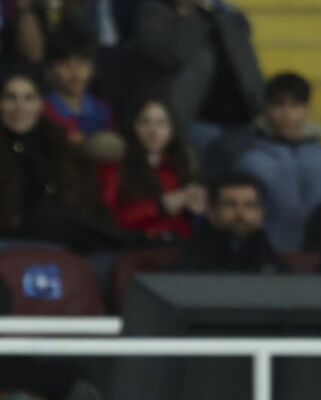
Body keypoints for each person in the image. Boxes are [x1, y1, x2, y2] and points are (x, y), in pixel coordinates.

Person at [233, 71, 321, 253]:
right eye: (279, 105)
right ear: (266, 109)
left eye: (295, 105)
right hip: (265, 255)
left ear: (307, 110)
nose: (287, 114)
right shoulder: (250, 161)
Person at [0, 67, 104, 241]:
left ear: (41, 103)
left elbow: (83, 204)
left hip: (60, 239)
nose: (20, 107)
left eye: (29, 98)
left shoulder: (60, 146)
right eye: (11, 98)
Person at [135, 0, 263, 134]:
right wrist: (187, 13)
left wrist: (261, 106)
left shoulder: (227, 14)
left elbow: (248, 66)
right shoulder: (154, 11)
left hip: (244, 120)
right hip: (194, 122)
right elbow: (171, 55)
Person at [97, 98, 204, 239]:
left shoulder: (180, 163)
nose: (154, 131)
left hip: (178, 243)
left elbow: (188, 224)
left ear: (172, 130)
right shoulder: (114, 166)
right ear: (133, 127)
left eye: (162, 123)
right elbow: (106, 221)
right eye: (145, 122)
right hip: (134, 243)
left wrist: (196, 213)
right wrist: (159, 206)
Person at [171, 173, 284, 273]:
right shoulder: (191, 262)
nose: (240, 214)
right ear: (211, 211)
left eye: (249, 205)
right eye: (230, 205)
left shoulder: (270, 261)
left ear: (261, 213)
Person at [40, 35, 112, 144]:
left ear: (93, 68)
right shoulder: (41, 110)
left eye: (81, 63)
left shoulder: (103, 110)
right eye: (65, 64)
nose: (75, 72)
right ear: (48, 71)